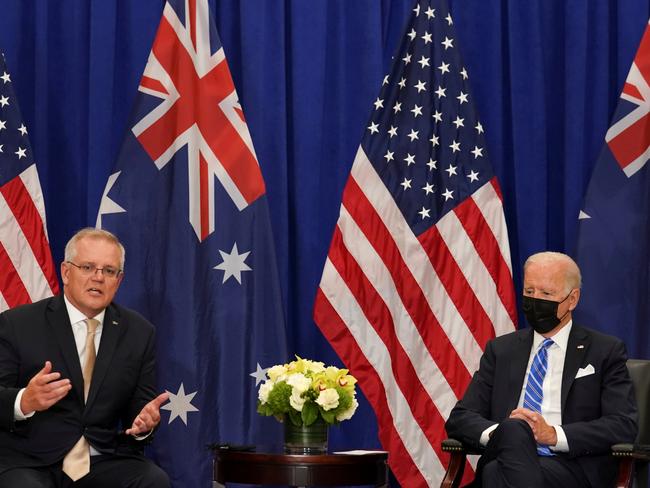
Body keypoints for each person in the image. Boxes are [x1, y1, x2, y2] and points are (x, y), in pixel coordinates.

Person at [445, 251, 637, 488]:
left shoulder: (604, 351)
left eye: (546, 293)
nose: (535, 300)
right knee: (515, 430)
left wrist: (553, 435)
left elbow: (622, 425)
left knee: (496, 473)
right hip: (506, 455)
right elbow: (460, 418)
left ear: (572, 299)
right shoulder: (501, 350)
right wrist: (506, 435)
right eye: (529, 292)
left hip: (571, 467)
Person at [0, 228, 170, 487]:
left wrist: (144, 424)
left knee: (153, 480)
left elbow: (140, 407)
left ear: (119, 280)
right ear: (66, 273)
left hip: (100, 459)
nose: (98, 278)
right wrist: (25, 400)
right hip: (30, 459)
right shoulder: (17, 323)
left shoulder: (138, 332)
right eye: (88, 267)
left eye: (109, 271)